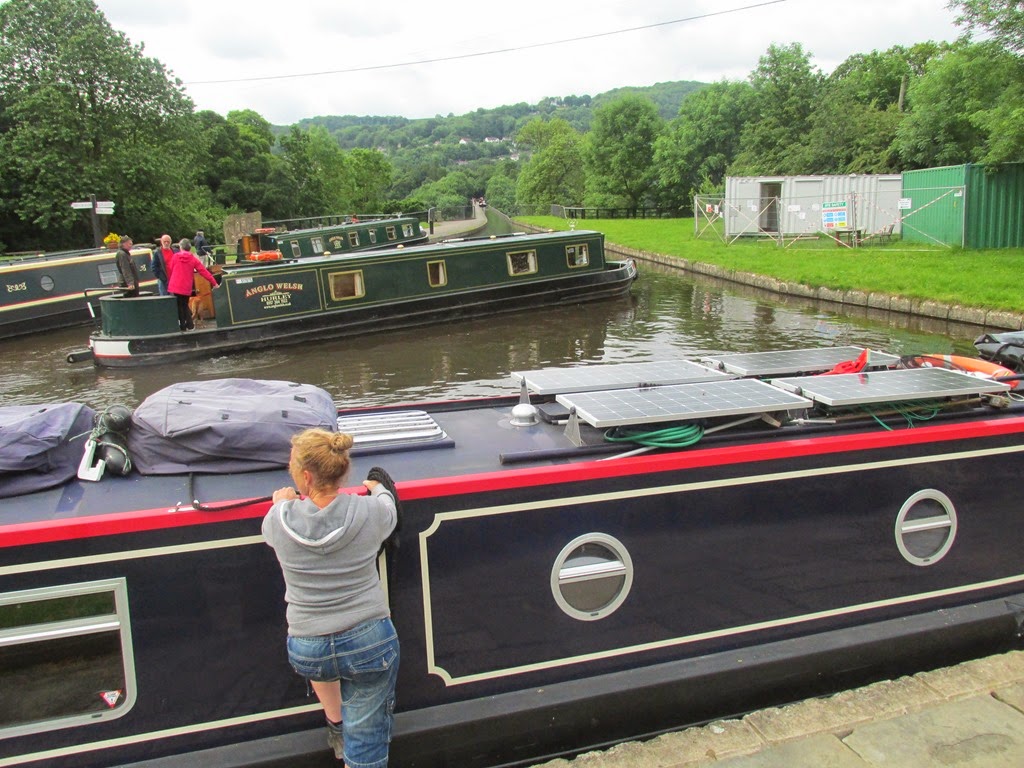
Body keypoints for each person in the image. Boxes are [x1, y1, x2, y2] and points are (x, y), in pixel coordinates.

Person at [263, 429, 400, 767]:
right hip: (369, 642)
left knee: (327, 658)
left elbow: (281, 520)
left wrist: (282, 503)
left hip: (308, 648)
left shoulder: (278, 521)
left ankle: (336, 722)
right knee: (367, 739)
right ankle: (355, 737)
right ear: (343, 471)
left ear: (305, 477)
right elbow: (388, 507)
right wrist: (379, 488)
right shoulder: (370, 513)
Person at [166, 238, 216, 331]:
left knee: (179, 306)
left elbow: (170, 268)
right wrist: (214, 283)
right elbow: (203, 271)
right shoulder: (193, 259)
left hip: (175, 285)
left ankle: (185, 326)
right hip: (186, 286)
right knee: (184, 304)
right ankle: (188, 325)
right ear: (190, 248)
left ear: (181, 247)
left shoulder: (175, 256)